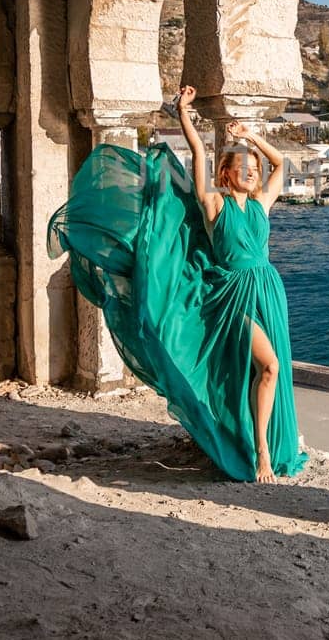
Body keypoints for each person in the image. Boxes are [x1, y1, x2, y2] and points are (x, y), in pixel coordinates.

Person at [47, 85, 307, 483]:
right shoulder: (214, 204)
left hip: (268, 291)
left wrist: (250, 138)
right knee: (268, 367)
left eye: (253, 168)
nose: (252, 172)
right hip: (232, 294)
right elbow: (198, 155)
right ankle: (261, 455)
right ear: (227, 173)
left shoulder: (260, 205)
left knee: (267, 370)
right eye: (243, 167)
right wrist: (183, 112)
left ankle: (253, 439)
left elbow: (280, 165)